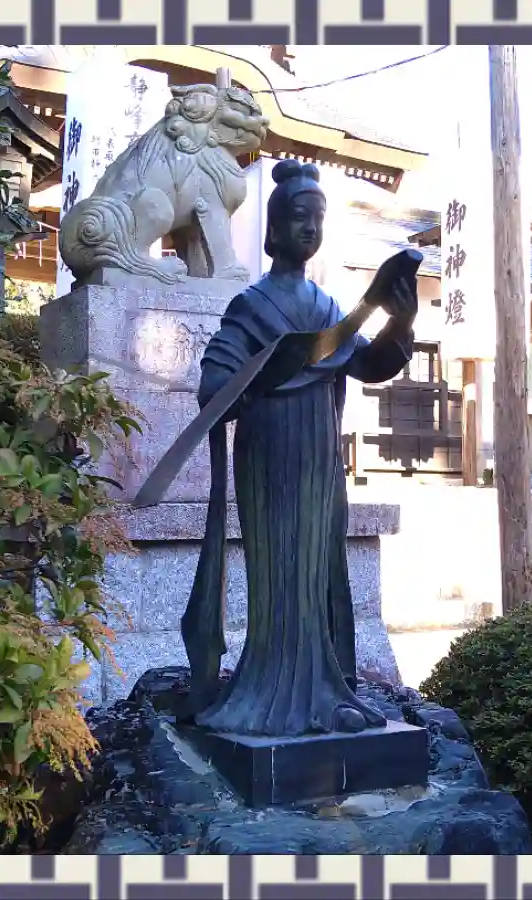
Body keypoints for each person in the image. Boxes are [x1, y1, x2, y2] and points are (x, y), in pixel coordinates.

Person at [183, 159, 420, 736]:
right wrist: (248, 382)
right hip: (270, 457)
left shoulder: (328, 307)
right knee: (279, 575)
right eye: (298, 216)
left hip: (318, 460)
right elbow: (214, 384)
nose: (310, 227)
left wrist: (400, 324)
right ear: (272, 229)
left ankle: (321, 692)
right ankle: (267, 695)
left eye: (318, 217)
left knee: (315, 574)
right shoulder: (252, 306)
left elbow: (368, 363)